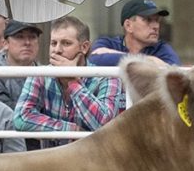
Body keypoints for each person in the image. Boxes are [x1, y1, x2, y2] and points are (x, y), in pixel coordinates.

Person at [13, 16, 121, 149]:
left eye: (66, 43)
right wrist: (70, 130)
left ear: (85, 47)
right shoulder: (40, 74)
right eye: (53, 43)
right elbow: (21, 118)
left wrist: (73, 82)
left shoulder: (108, 77)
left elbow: (104, 125)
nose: (57, 50)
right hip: (52, 162)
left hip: (94, 163)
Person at [89, 0, 180, 67]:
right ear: (128, 26)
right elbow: (94, 59)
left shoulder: (161, 48)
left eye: (157, 20)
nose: (156, 26)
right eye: (148, 20)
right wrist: (149, 61)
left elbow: (174, 71)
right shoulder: (108, 43)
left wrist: (122, 57)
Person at [0, 20, 41, 110]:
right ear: (5, 44)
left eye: (32, 37)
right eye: (19, 37)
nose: (27, 42)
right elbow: (2, 114)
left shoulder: (48, 74)